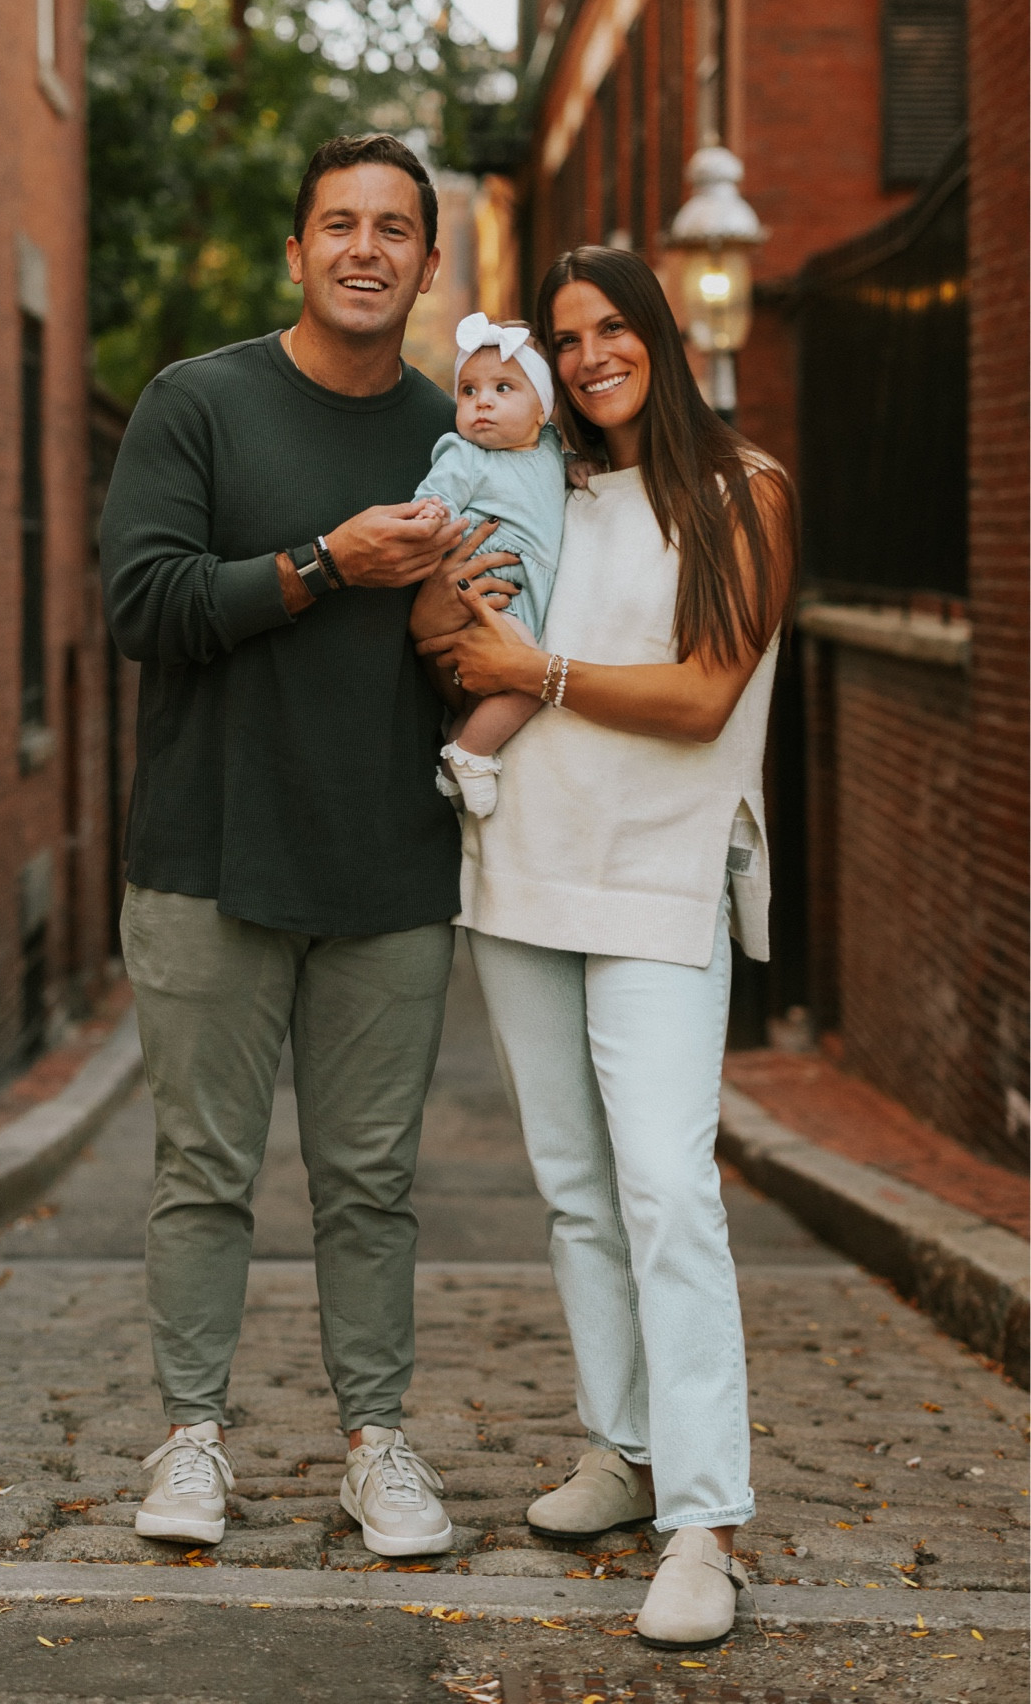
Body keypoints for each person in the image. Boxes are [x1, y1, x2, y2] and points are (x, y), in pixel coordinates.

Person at [99, 132, 518, 1561]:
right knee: (202, 1170)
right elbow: (143, 605)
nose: (363, 249)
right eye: (337, 223)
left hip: (388, 862)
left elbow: (485, 641)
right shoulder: (198, 403)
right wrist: (326, 563)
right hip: (206, 856)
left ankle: (374, 1442)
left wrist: (466, 617)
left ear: (427, 262)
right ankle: (190, 1438)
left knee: (372, 1184)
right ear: (295, 252)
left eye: (392, 228)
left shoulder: (461, 441)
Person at [412, 246, 797, 1646]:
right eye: (564, 338)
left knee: (665, 1188)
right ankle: (622, 1450)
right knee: (575, 1188)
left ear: (656, 332)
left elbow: (702, 696)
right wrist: (451, 619)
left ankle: (706, 1522)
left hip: (657, 877)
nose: (587, 357)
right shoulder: (539, 482)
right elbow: (449, 640)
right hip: (521, 866)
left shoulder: (743, 490)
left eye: (609, 327)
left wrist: (538, 671)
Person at [413, 314, 567, 818]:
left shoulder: (550, 448)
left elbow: (557, 476)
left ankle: (452, 756)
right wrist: (433, 512)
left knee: (498, 688)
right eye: (468, 390)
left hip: (522, 590)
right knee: (532, 679)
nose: (482, 401)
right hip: (487, 590)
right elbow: (437, 493)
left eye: (503, 388)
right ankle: (472, 754)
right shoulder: (465, 456)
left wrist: (579, 467)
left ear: (542, 409)